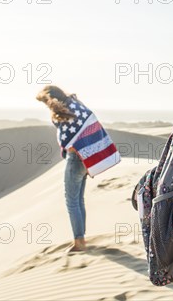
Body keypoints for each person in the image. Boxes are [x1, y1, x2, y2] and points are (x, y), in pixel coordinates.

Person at [36, 85, 120, 253]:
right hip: (86, 157)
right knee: (78, 199)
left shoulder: (62, 111)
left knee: (72, 201)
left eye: (46, 103)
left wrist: (74, 147)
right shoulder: (77, 105)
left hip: (75, 158)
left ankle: (79, 242)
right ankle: (81, 237)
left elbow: (68, 139)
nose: (47, 107)